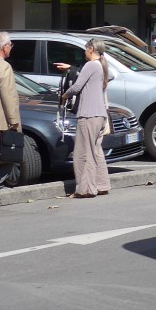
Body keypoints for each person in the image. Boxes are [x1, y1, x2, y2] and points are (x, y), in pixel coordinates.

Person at [62, 38, 114, 198]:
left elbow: (77, 87)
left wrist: (64, 95)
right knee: (96, 151)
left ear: (91, 49)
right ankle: (102, 184)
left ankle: (86, 189)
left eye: (85, 49)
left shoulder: (91, 65)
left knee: (82, 153)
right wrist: (72, 68)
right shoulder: (102, 65)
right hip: (100, 114)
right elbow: (110, 76)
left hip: (88, 113)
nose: (84, 52)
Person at [0, 31, 21, 188]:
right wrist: (14, 122)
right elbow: (9, 97)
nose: (11, 48)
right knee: (7, 158)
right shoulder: (3, 67)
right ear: (5, 48)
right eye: (10, 45)